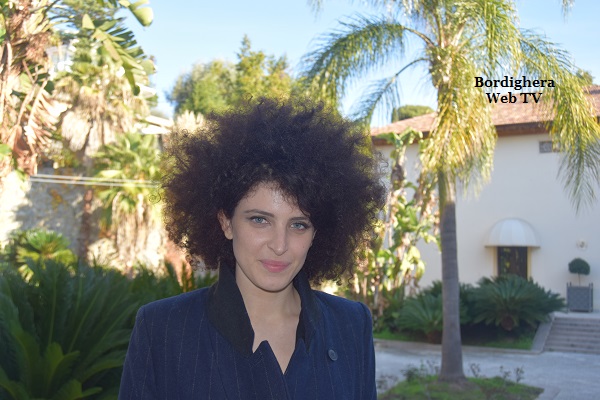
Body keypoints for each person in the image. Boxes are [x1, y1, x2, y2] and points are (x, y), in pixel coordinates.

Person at [118, 97, 386, 399]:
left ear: (317, 234)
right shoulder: (162, 329)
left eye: (299, 225)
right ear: (226, 223)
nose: (279, 245)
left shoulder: (351, 325)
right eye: (260, 220)